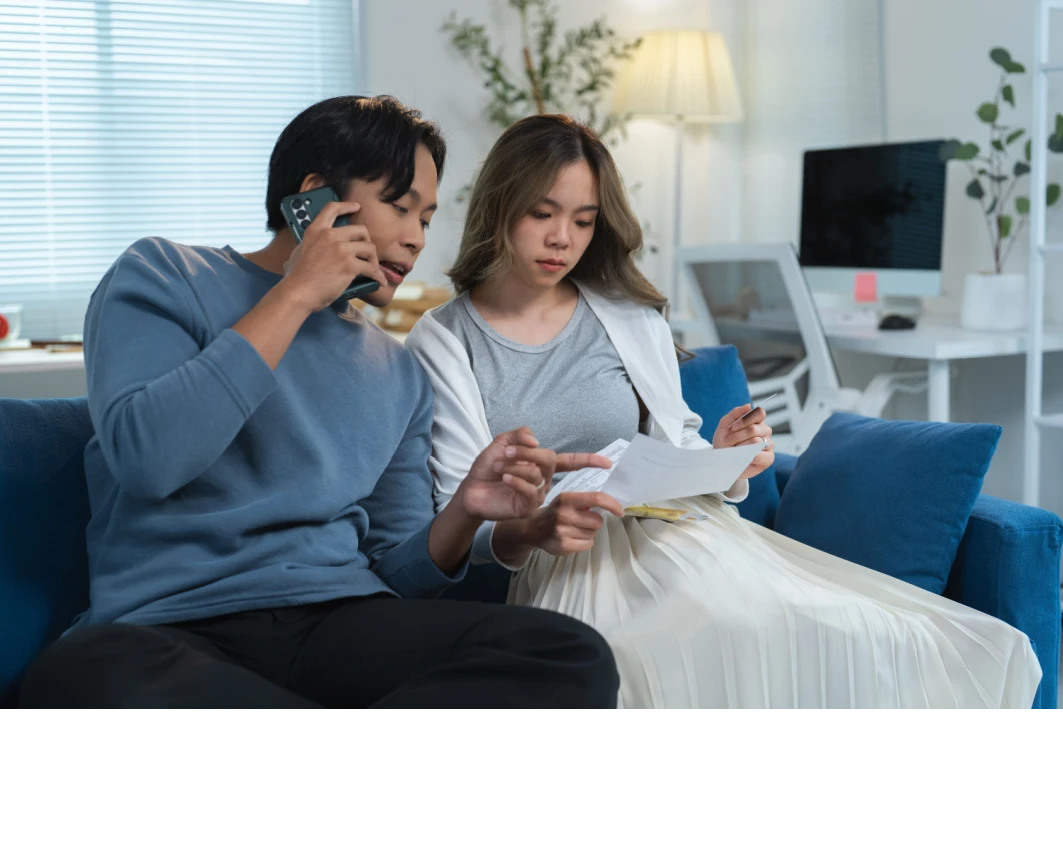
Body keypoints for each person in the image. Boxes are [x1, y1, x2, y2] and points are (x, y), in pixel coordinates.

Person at [405, 113, 1043, 711]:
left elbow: (673, 446)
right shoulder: (445, 336)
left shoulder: (626, 314)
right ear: (499, 208)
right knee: (672, 645)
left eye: (583, 220)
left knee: (865, 630)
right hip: (571, 558)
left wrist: (724, 458)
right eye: (541, 213)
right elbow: (457, 509)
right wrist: (538, 525)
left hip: (682, 532)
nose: (561, 239)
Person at [17, 96, 621, 712]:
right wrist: (298, 293)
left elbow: (395, 573)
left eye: (428, 219)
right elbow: (150, 460)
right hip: (168, 630)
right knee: (79, 677)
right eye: (399, 205)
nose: (415, 240)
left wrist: (465, 511)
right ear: (313, 198)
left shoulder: (396, 372)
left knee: (569, 654)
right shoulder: (163, 275)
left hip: (338, 626)